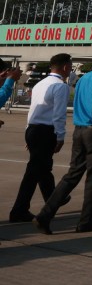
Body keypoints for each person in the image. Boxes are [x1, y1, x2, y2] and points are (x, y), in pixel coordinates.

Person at [34, 46, 92, 234]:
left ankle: (45, 214)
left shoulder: (84, 78)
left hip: (79, 130)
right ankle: (86, 221)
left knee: (72, 175)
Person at [9, 54, 70, 223]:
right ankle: (19, 210)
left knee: (42, 167)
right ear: (65, 67)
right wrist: (60, 135)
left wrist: (29, 132)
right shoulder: (60, 86)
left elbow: (33, 110)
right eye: (70, 66)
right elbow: (59, 114)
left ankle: (54, 198)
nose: (71, 69)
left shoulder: (40, 84)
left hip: (34, 129)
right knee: (34, 171)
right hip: (46, 131)